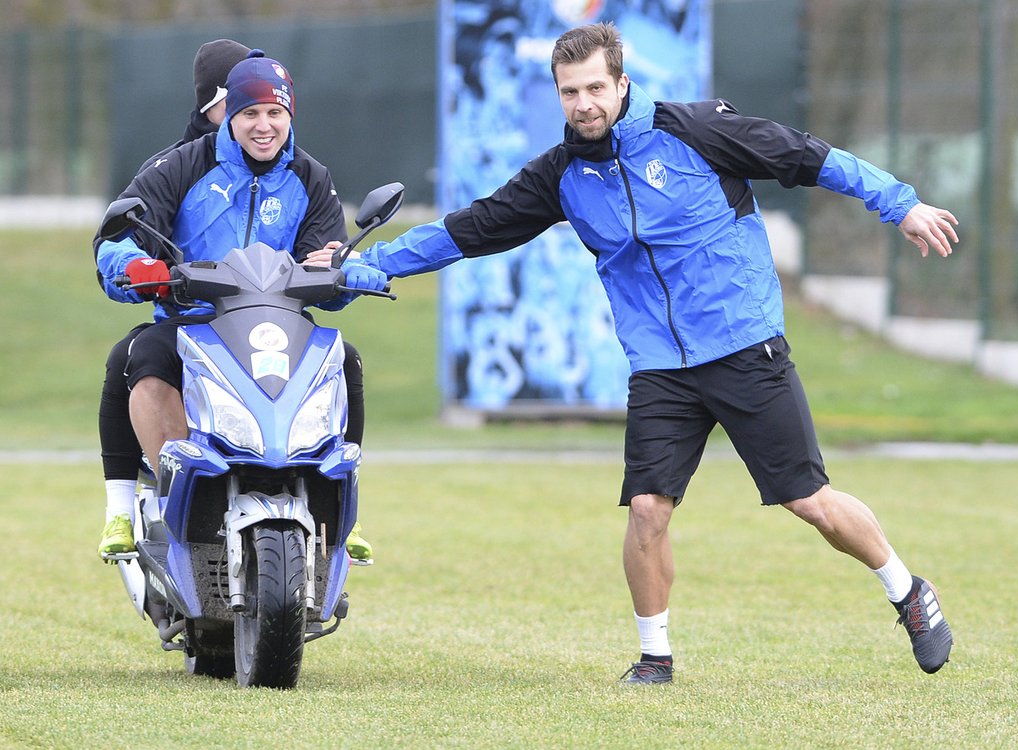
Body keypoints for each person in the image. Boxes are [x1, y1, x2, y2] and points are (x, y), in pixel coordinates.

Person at [355, 22, 958, 683]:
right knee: (647, 508)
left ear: (621, 83)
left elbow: (810, 157)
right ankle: (654, 658)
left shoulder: (697, 131)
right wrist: (371, 266)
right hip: (661, 369)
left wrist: (899, 204)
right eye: (568, 92)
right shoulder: (561, 177)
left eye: (593, 88)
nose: (582, 103)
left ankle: (907, 591)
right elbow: (470, 230)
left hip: (743, 346)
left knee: (809, 501)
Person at [94, 49, 386, 562]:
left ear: (290, 114)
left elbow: (329, 257)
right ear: (228, 115)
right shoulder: (182, 164)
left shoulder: (311, 176)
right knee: (141, 357)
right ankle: (154, 504)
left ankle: (340, 514)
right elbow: (118, 237)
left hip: (278, 324)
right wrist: (134, 266)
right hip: (191, 321)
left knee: (345, 358)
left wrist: (346, 269)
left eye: (275, 112)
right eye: (249, 113)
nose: (264, 125)